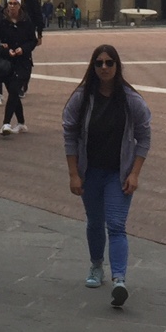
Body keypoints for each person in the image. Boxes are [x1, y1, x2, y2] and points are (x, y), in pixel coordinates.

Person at [62, 44, 151, 308]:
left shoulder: (130, 100)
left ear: (117, 66)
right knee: (94, 221)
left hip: (118, 173)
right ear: (93, 66)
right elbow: (69, 135)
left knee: (116, 225)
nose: (104, 67)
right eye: (99, 63)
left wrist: (134, 173)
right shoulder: (81, 98)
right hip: (91, 172)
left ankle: (119, 279)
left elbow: (144, 137)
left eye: (109, 62)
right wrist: (74, 174)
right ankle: (96, 265)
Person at [0, 0, 38, 136]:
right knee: (14, 93)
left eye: (15, 3)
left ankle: (6, 123)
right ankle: (21, 123)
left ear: (19, 5)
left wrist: (23, 49)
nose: (12, 6)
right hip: (7, 63)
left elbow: (33, 41)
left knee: (14, 90)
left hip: (23, 62)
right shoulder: (2, 22)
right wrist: (4, 49)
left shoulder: (27, 22)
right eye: (10, 3)